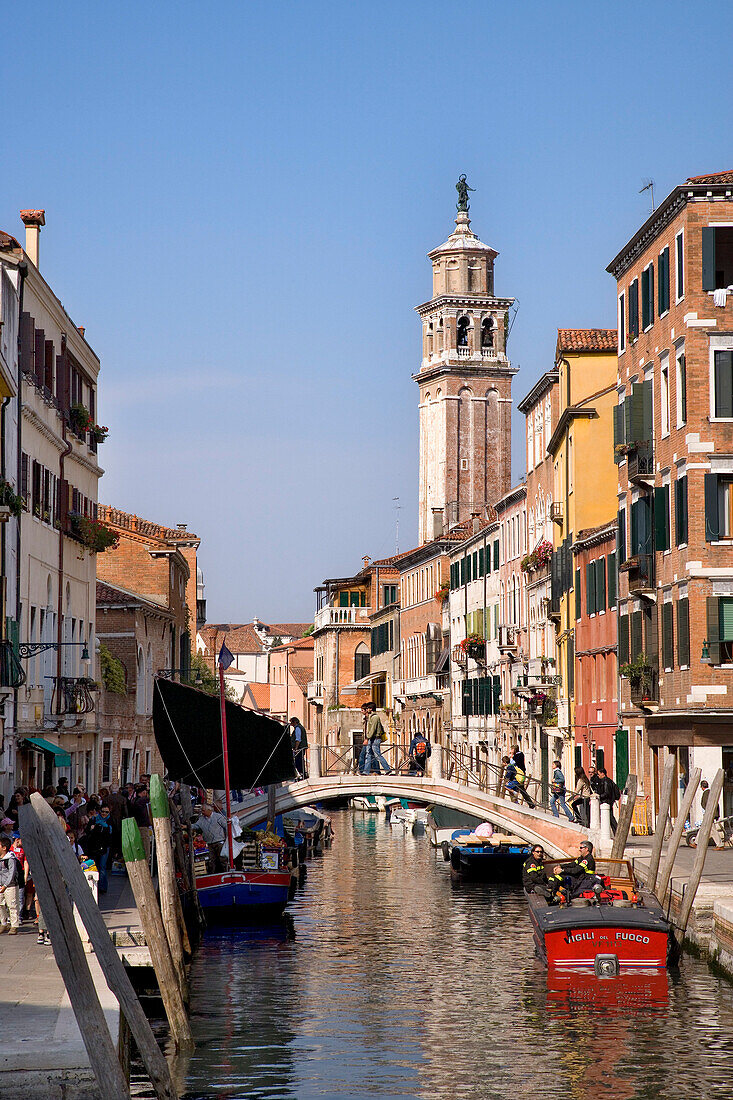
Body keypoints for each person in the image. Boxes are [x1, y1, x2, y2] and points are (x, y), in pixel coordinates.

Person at [82, 806, 113, 892]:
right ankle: (95, 886)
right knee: (94, 866)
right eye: (103, 811)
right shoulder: (94, 820)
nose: (104, 814)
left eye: (106, 812)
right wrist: (92, 828)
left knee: (102, 867)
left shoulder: (110, 821)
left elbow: (112, 834)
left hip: (105, 847)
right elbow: (87, 831)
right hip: (94, 847)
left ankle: (102, 887)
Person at [194, 803, 229, 872]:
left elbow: (226, 826)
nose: (202, 812)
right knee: (211, 860)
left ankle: (225, 871)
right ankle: (213, 873)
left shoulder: (218, 817)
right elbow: (196, 826)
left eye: (203, 810)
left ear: (209, 810)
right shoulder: (201, 819)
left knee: (223, 859)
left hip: (220, 841)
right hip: (209, 843)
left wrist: (226, 838)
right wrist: (187, 826)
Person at [361, 702, 393, 775]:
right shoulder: (371, 717)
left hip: (375, 739)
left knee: (377, 755)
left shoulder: (375, 717)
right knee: (368, 755)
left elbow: (373, 729)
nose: (367, 710)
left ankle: (387, 769)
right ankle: (366, 772)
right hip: (372, 739)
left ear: (371, 709)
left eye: (368, 708)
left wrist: (367, 738)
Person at [0, 836, 21, 934]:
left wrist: (5, 885)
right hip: (1, 885)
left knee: (12, 905)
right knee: (1, 905)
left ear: (4, 847)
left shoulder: (10, 858)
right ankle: (3, 923)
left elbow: (11, 873)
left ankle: (14, 925)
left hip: (10, 886)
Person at [130, 786, 152, 862]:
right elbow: (151, 798)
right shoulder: (140, 801)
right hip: (142, 827)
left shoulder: (134, 800)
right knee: (146, 849)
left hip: (137, 826)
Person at [596, 766, 620, 834]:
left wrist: (599, 796)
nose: (598, 776)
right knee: (609, 818)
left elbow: (607, 793)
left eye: (599, 774)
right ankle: (616, 833)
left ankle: (617, 833)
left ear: (602, 773)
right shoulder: (608, 780)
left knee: (611, 818)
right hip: (608, 801)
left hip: (607, 802)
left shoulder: (606, 782)